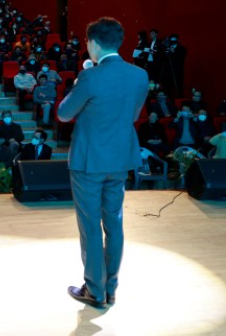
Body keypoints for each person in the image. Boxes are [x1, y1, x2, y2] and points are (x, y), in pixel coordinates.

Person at [58, 17, 148, 309]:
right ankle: (110, 288)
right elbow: (133, 116)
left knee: (90, 227)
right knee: (115, 222)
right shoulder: (139, 75)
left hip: (88, 161)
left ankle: (94, 291)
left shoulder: (91, 77)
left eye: (87, 42)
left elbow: (63, 113)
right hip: (120, 158)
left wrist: (76, 86)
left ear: (93, 43)